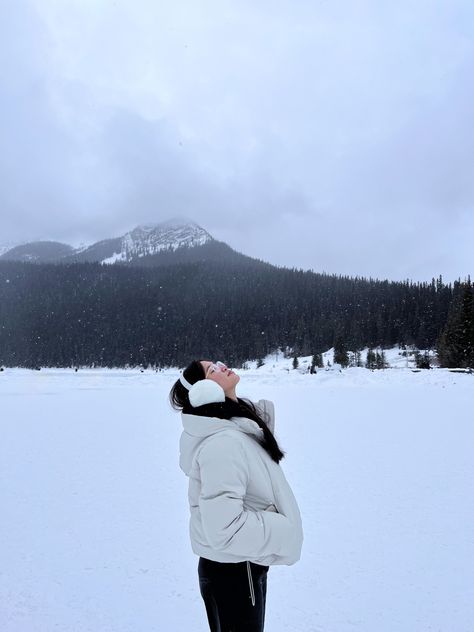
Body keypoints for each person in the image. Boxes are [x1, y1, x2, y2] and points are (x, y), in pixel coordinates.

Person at [169, 359, 303, 632]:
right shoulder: (223, 443)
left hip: (240, 567)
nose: (222, 365)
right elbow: (225, 530)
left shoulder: (234, 430)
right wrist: (284, 528)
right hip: (233, 572)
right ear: (203, 389)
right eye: (212, 369)